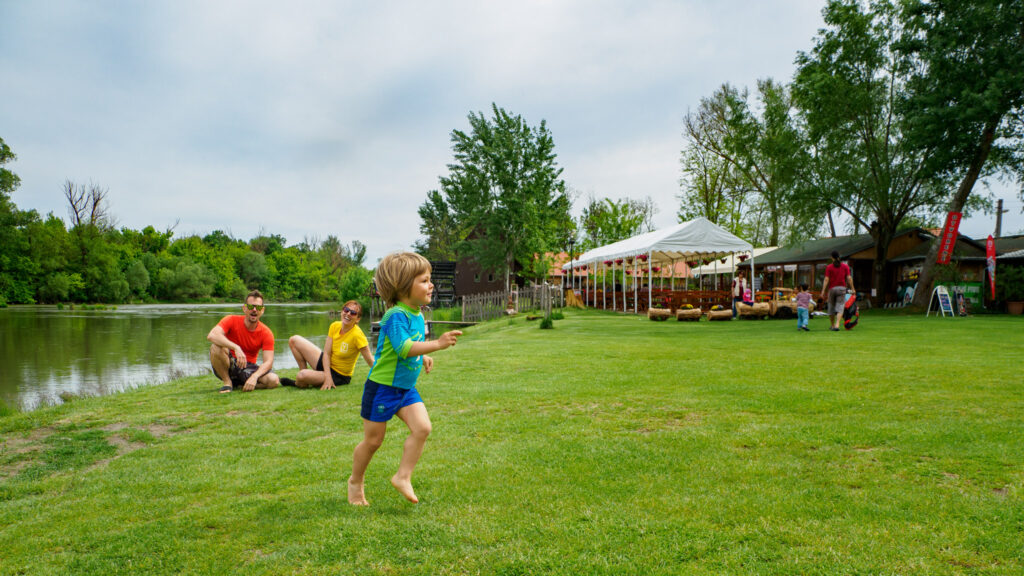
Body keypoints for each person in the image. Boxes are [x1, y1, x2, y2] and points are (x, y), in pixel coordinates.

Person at [348, 252, 462, 506]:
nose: (431, 285)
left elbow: (413, 346)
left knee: (422, 428)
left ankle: (403, 477)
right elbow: (403, 347)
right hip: (382, 388)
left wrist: (423, 357)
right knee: (374, 441)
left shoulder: (417, 314)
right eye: (424, 280)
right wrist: (437, 345)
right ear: (402, 286)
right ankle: (355, 481)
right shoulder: (395, 315)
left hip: (405, 389)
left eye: (430, 279)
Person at [283, 300, 374, 389]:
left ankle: (302, 380)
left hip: (339, 375)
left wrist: (381, 378)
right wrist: (328, 377)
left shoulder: (358, 336)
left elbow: (370, 361)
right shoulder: (334, 326)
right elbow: (326, 353)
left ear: (358, 319)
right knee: (294, 340)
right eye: (346, 310)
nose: (348, 314)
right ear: (342, 311)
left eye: (353, 313)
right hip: (326, 363)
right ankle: (304, 383)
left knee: (301, 375)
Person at [207, 290, 281, 393]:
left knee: (273, 380)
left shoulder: (266, 332)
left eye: (258, 307)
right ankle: (227, 383)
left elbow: (268, 362)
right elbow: (212, 335)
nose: (254, 310)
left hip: (248, 368)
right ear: (244, 308)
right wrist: (236, 347)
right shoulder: (231, 320)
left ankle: (243, 384)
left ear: (262, 310)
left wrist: (255, 376)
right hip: (229, 365)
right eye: (251, 306)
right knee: (215, 347)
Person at [819, 251, 855, 332]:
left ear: (832, 257)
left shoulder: (829, 267)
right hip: (842, 289)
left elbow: (826, 279)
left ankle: (832, 325)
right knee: (840, 307)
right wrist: (853, 289)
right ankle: (837, 324)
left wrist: (823, 291)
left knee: (831, 307)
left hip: (832, 290)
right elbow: (849, 278)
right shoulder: (845, 266)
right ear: (839, 257)